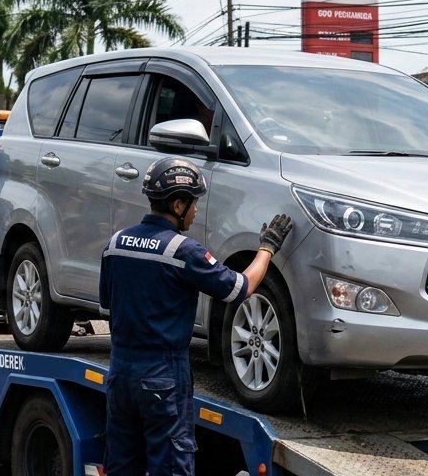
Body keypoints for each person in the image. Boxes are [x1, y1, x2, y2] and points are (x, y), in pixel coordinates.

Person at [98, 157, 292, 475]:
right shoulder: (184, 252)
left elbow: (108, 306)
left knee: (122, 466)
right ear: (177, 204)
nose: (196, 210)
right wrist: (267, 249)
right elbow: (240, 288)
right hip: (162, 376)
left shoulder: (115, 244)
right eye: (194, 203)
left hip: (120, 373)